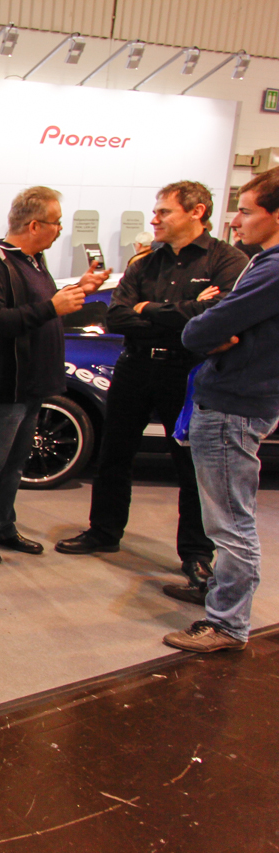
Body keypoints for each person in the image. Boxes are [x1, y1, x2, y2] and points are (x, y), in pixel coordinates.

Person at [56, 182, 249, 598]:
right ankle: (104, 531)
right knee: (114, 454)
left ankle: (196, 554)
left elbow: (216, 315)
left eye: (164, 212)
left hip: (188, 369)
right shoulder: (144, 263)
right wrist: (183, 311)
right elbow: (118, 317)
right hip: (135, 366)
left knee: (191, 464)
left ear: (196, 212)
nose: (154, 219)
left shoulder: (227, 260)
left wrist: (150, 309)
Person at [0, 187, 110, 563]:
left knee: (12, 466)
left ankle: (1, 527)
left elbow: (40, 309)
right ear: (35, 224)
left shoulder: (33, 262)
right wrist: (52, 307)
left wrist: (78, 290)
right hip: (2, 385)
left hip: (29, 386)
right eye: (56, 223)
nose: (60, 230)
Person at [162, 169, 279, 651]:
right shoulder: (262, 264)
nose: (236, 220)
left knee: (231, 523)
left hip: (233, 405)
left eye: (247, 211)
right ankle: (220, 601)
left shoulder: (272, 270)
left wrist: (205, 328)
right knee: (228, 518)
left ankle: (228, 623)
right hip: (239, 399)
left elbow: (198, 330)